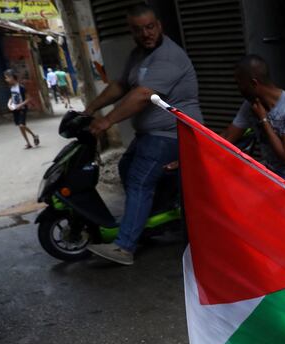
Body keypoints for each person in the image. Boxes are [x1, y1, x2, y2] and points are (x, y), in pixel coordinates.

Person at [84, 2, 202, 266]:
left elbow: (141, 95)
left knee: (139, 180)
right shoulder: (139, 54)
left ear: (159, 26)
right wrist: (90, 109)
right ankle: (150, 222)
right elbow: (120, 85)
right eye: (139, 30)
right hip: (152, 134)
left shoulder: (169, 57)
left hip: (173, 132)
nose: (146, 33)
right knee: (126, 167)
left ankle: (124, 247)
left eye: (150, 27)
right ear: (132, 31)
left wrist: (108, 121)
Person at [221, 54, 285, 191]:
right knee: (231, 185)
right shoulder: (250, 105)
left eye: (240, 84)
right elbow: (229, 137)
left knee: (251, 196)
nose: (239, 89)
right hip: (270, 171)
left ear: (254, 83)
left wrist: (263, 119)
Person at [3, 69, 40, 149]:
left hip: (22, 109)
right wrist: (9, 104)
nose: (6, 80)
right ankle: (28, 142)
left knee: (21, 125)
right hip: (15, 109)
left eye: (7, 78)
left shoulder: (21, 87)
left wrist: (20, 105)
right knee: (21, 126)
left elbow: (28, 98)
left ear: (12, 77)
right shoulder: (11, 88)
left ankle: (34, 135)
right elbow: (12, 97)